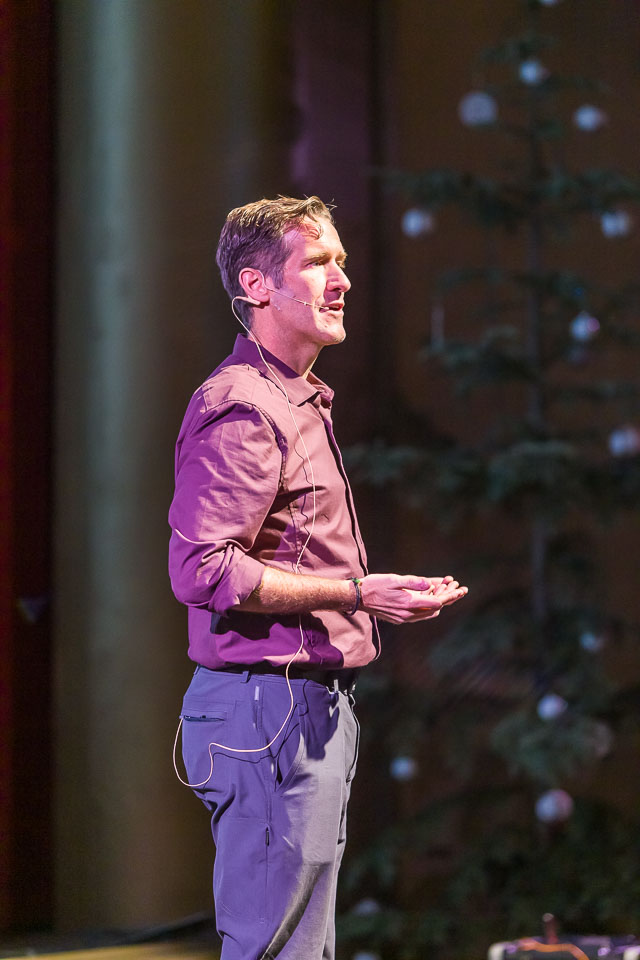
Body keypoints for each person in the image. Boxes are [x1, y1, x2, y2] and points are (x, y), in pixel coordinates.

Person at [168, 195, 467, 960]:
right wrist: (358, 593)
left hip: (300, 706)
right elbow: (203, 568)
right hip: (266, 710)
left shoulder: (296, 399)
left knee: (305, 947)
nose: (342, 280)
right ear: (257, 285)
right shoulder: (243, 406)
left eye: (341, 261)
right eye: (317, 262)